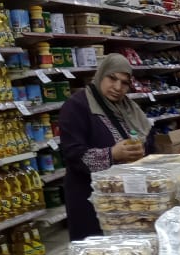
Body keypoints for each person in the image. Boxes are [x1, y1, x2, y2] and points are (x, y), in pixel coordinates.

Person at [59, 53, 154, 240]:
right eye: (112, 78)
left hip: (126, 197)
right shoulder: (77, 106)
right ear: (101, 74)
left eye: (124, 83)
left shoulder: (129, 108)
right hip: (90, 198)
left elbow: (150, 140)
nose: (118, 87)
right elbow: (72, 153)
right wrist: (112, 154)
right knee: (97, 248)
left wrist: (143, 150)